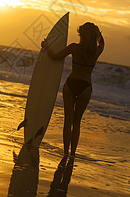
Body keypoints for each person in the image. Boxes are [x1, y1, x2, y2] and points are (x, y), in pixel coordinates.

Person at [41, 22, 104, 162]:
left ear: (81, 34)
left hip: (71, 84)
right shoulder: (97, 50)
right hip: (85, 87)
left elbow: (55, 56)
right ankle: (73, 154)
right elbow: (102, 42)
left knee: (67, 120)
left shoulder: (74, 47)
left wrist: (46, 46)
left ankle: (65, 152)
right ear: (94, 35)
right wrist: (97, 33)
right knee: (77, 123)